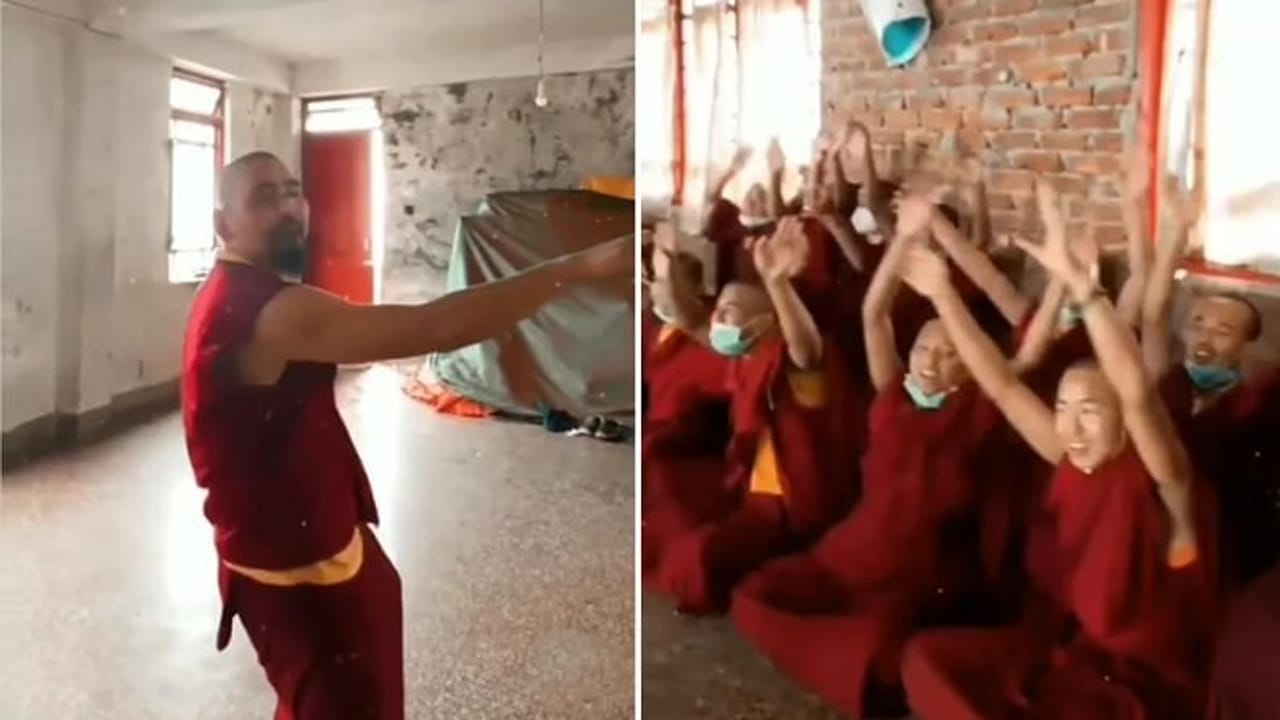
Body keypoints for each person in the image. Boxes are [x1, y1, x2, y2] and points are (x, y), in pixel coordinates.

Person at [181, 151, 631, 719]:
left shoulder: (240, 292)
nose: (290, 207)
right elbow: (435, 325)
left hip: (308, 537)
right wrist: (580, 268)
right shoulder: (268, 311)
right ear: (223, 225)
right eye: (265, 198)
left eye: (293, 190)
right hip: (296, 569)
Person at [897, 186, 1214, 719]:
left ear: (1125, 423)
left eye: (1090, 410)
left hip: (1142, 683)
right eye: (1063, 408)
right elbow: (1002, 386)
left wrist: (1085, 290)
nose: (1071, 426)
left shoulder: (1166, 481)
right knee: (924, 660)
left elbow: (1136, 391)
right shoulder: (1069, 458)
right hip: (1077, 653)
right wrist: (943, 296)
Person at [729, 189, 1015, 718]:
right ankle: (849, 661)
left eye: (949, 355)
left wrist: (944, 283)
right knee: (751, 599)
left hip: (911, 575)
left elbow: (1005, 360)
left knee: (882, 645)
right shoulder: (893, 397)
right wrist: (903, 235)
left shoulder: (980, 413)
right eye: (924, 349)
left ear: (971, 367)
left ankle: (856, 663)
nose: (930, 362)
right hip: (846, 554)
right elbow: (873, 315)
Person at [649, 217, 860, 614]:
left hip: (794, 506)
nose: (717, 321)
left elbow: (806, 349)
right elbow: (691, 319)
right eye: (719, 312)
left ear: (764, 323)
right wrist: (668, 261)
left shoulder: (789, 364)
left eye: (728, 313)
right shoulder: (745, 360)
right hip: (749, 493)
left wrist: (778, 285)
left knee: (698, 556)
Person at [1141, 178, 1280, 587]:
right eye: (1198, 323)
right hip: (1158, 529)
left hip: (1227, 541)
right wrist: (1176, 231)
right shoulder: (1166, 382)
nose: (1205, 336)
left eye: (1223, 331)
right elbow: (1153, 316)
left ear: (1245, 346)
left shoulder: (1255, 399)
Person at [641, 225, 734, 584]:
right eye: (655, 281)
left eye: (663, 281)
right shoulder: (656, 329)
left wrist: (670, 269)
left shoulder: (712, 332)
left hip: (691, 447)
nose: (655, 288)